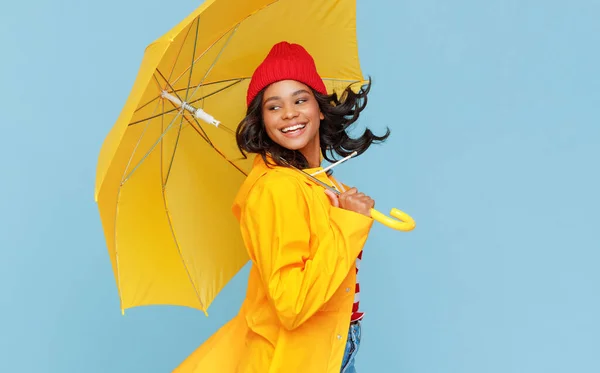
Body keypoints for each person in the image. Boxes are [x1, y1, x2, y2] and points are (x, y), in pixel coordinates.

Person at [173, 41, 389, 373]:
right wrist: (347, 226)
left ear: (320, 108)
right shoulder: (276, 189)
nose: (289, 113)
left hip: (331, 348)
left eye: (300, 100)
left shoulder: (315, 183)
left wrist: (344, 214)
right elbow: (292, 304)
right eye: (274, 107)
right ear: (262, 120)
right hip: (299, 360)